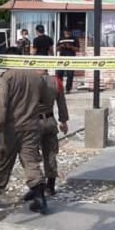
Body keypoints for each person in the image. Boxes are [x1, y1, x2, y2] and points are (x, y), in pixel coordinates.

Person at [0, 47, 49, 213]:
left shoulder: (6, 78)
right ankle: (40, 196)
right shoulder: (36, 77)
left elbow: (0, 105)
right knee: (31, 161)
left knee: (3, 162)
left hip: (10, 128)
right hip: (31, 126)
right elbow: (45, 101)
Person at [22, 69, 69, 200]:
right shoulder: (56, 81)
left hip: (32, 121)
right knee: (50, 154)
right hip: (49, 121)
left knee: (31, 155)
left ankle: (37, 185)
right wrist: (63, 121)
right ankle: (51, 186)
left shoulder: (29, 80)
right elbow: (61, 103)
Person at [55, 27, 79, 92]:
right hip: (62, 58)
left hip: (71, 58)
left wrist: (70, 47)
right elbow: (57, 49)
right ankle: (60, 87)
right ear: (64, 32)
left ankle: (68, 88)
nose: (67, 33)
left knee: (70, 74)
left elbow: (77, 49)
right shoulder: (61, 39)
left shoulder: (74, 39)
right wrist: (61, 46)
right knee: (59, 73)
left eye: (68, 31)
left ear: (70, 32)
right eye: (66, 31)